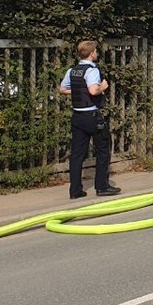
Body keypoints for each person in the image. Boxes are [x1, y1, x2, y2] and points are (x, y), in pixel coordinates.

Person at [59, 40, 122, 199]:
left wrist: (80, 92)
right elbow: (94, 91)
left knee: (77, 155)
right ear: (92, 53)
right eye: (96, 51)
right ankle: (102, 187)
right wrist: (103, 87)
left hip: (77, 117)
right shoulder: (92, 70)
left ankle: (75, 191)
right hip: (92, 117)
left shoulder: (73, 70)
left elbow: (63, 89)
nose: (97, 53)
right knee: (102, 150)